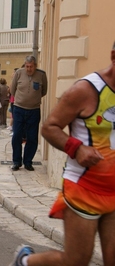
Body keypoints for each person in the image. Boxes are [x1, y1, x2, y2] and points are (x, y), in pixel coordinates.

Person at [10, 42, 115, 266]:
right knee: (76, 260)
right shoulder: (86, 90)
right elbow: (49, 127)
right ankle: (25, 262)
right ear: (113, 56)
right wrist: (77, 148)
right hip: (84, 189)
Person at [10, 55, 47, 171]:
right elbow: (12, 89)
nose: (29, 69)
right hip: (19, 109)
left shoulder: (41, 75)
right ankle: (16, 161)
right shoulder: (19, 73)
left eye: (31, 67)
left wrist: (33, 100)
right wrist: (21, 99)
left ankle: (28, 162)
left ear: (35, 66)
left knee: (32, 137)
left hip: (34, 110)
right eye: (27, 66)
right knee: (16, 135)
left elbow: (44, 91)